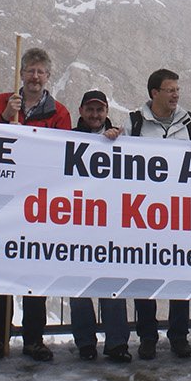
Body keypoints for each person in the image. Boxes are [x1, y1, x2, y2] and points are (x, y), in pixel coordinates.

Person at [0, 47, 71, 361]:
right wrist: (6, 117)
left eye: (41, 72)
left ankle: (34, 339)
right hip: (3, 199)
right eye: (30, 71)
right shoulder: (0, 102)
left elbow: (62, 155)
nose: (35, 77)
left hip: (38, 203)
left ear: (48, 77)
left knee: (35, 273)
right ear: (21, 73)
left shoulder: (58, 111)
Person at [128, 69, 191, 359]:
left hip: (179, 213)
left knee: (180, 274)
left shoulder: (187, 122)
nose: (176, 95)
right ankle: (147, 337)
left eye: (177, 90)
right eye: (170, 90)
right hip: (142, 213)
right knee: (145, 277)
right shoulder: (134, 122)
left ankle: (179, 336)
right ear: (154, 93)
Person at [70, 91, 132, 363]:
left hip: (111, 225)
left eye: (100, 110)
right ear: (81, 111)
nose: (95, 115)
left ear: (107, 111)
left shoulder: (122, 140)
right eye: (91, 110)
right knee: (78, 287)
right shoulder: (66, 138)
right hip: (76, 222)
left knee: (113, 285)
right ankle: (85, 343)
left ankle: (117, 343)